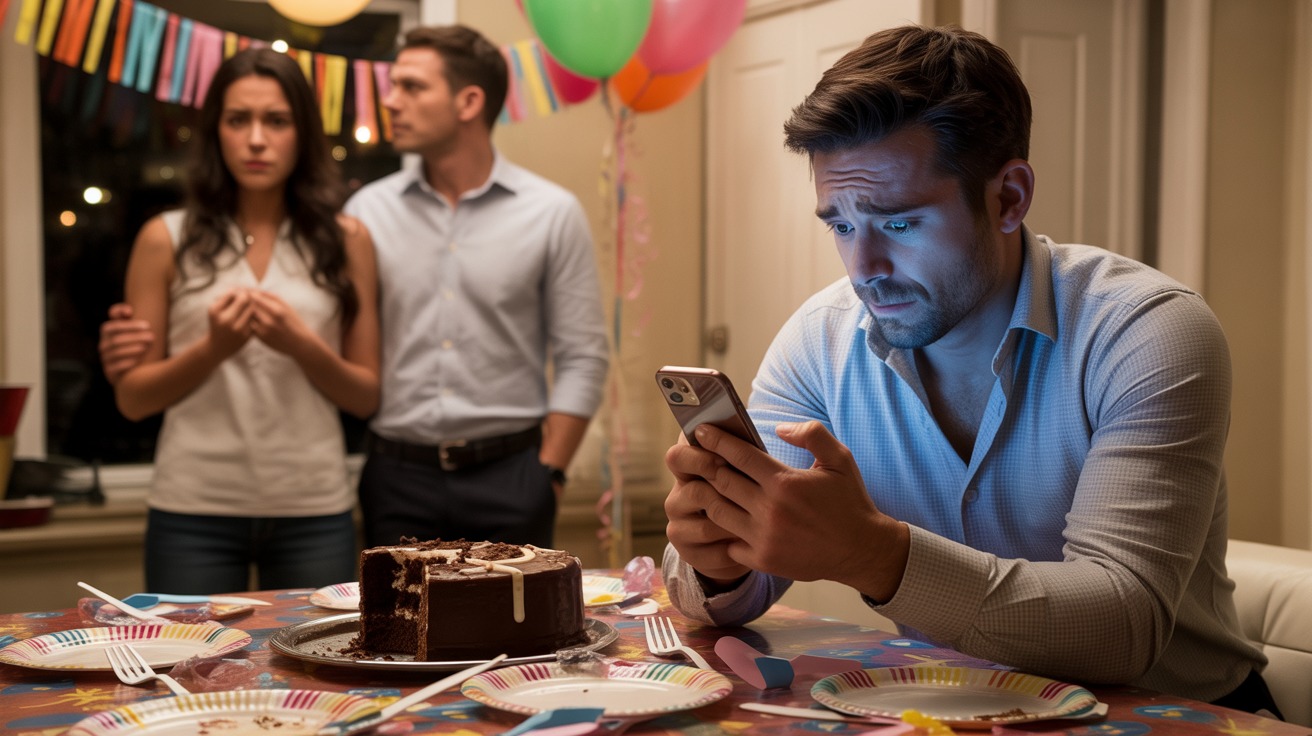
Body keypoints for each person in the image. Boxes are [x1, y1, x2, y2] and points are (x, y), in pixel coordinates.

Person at [660, 25, 1281, 716]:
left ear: (1009, 197)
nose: (862, 269)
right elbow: (710, 594)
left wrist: (876, 556)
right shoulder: (818, 342)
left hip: (1183, 715)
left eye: (898, 224)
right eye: (839, 225)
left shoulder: (1147, 332)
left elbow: (1123, 629)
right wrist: (716, 561)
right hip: (950, 711)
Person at [102, 25, 608, 550]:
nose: (390, 102)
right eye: (394, 86)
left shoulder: (551, 213)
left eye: (411, 87)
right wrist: (130, 351)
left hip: (512, 474)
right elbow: (334, 330)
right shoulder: (364, 214)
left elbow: (584, 357)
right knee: (397, 631)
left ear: (469, 101)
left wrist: (549, 474)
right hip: (397, 476)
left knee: (517, 630)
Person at [110, 47, 380, 593]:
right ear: (216, 132)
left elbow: (366, 396)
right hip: (192, 508)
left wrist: (299, 343)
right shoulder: (165, 238)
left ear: (302, 132)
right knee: (191, 672)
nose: (257, 139)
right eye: (239, 120)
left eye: (276, 121)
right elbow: (134, 399)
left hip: (314, 507)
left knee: (316, 671)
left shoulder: (347, 240)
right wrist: (214, 347)